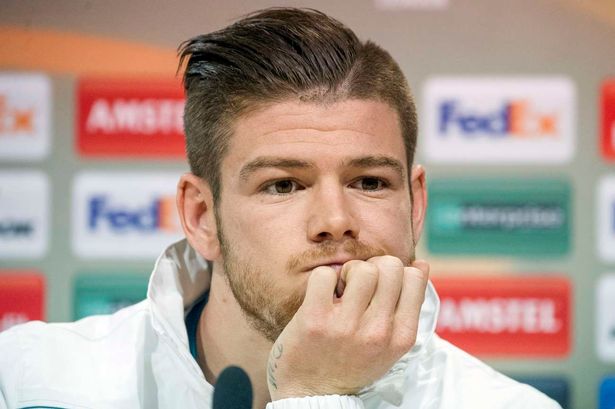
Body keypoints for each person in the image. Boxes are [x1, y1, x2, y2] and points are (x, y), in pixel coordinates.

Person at [0, 7, 561, 409]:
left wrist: (316, 397)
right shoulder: (29, 380)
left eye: (369, 180)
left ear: (415, 206)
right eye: (283, 186)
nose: (334, 220)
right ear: (202, 217)